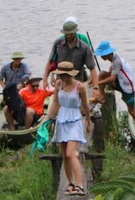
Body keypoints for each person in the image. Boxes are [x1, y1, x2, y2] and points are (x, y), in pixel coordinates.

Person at [92, 40, 135, 141]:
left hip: (128, 88)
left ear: (107, 54)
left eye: (102, 54)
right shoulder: (114, 59)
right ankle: (101, 97)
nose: (100, 57)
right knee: (101, 74)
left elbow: (112, 79)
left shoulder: (117, 62)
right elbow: (111, 71)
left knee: (132, 111)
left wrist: (98, 83)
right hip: (121, 82)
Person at [51, 61, 92, 197]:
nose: (62, 77)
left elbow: (85, 106)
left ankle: (80, 185)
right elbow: (55, 103)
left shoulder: (80, 87)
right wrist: (46, 121)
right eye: (60, 74)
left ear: (70, 74)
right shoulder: (58, 84)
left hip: (75, 119)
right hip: (61, 119)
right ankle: (70, 184)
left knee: (70, 153)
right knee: (64, 155)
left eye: (65, 75)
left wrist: (88, 121)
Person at [42, 20, 98, 91]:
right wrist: (45, 80)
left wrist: (96, 88)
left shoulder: (84, 47)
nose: (68, 36)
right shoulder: (58, 44)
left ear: (75, 32)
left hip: (77, 82)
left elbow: (92, 67)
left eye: (71, 34)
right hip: (61, 82)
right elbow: (50, 62)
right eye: (66, 34)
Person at [0, 51, 30, 130]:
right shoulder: (5, 67)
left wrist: (22, 84)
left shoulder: (24, 67)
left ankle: (21, 119)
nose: (18, 60)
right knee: (8, 106)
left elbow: (27, 76)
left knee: (21, 105)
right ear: (13, 59)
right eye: (16, 59)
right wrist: (5, 88)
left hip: (21, 90)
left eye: (19, 59)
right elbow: (0, 79)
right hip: (9, 91)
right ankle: (11, 125)